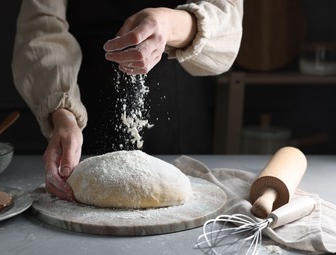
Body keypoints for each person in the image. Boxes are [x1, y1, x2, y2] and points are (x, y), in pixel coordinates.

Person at [12, 0, 243, 201]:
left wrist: (169, 24)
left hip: (177, 115)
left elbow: (228, 22)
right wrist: (62, 112)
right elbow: (41, 30)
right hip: (83, 109)